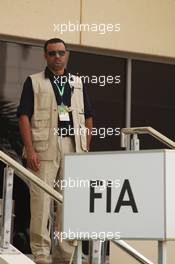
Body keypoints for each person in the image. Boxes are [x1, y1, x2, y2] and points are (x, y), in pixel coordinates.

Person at [17, 38, 93, 264]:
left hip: (73, 146)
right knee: (41, 200)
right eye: (52, 53)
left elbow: (88, 115)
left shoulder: (77, 83)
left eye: (61, 53)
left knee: (70, 202)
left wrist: (86, 147)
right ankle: (41, 253)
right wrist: (30, 150)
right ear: (45, 56)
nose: (57, 57)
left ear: (67, 54)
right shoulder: (34, 81)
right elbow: (23, 115)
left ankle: (64, 254)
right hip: (44, 147)